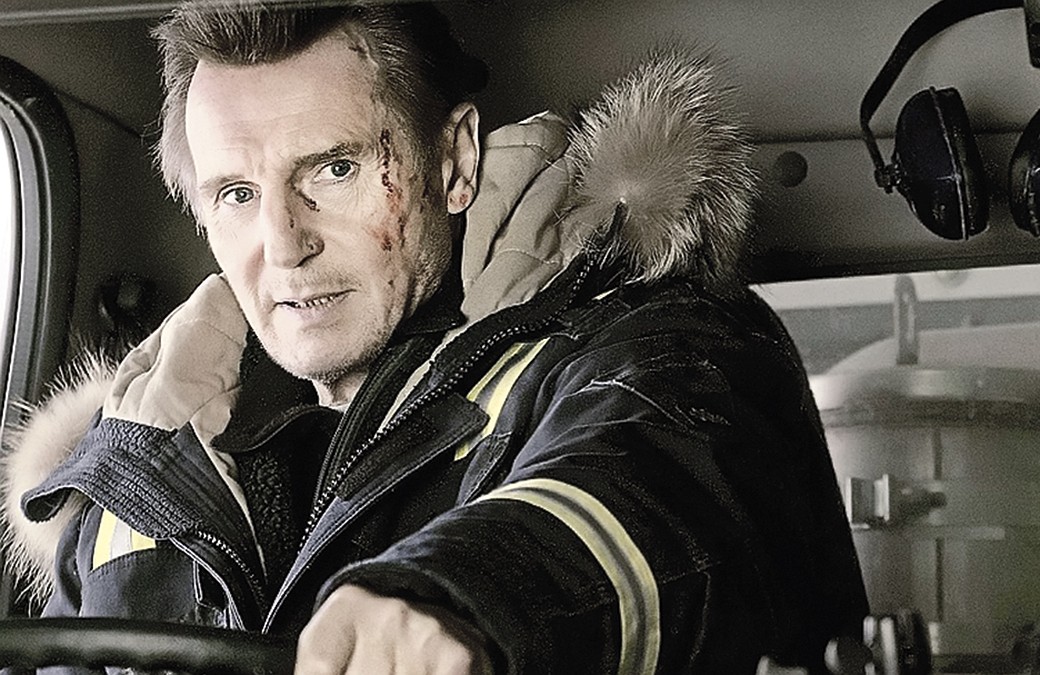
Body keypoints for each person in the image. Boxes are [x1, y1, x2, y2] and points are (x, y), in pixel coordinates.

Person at [1, 1, 868, 672]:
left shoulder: (650, 348)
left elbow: (656, 494)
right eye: (236, 194)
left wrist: (461, 596)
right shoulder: (135, 472)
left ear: (453, 161)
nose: (284, 245)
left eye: (334, 169)